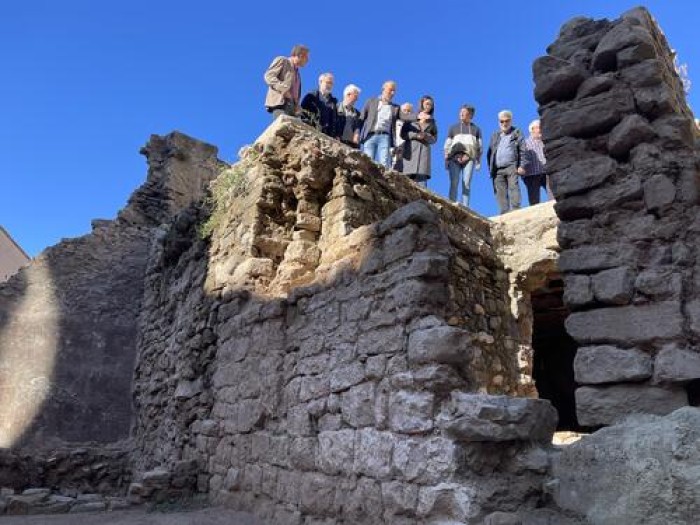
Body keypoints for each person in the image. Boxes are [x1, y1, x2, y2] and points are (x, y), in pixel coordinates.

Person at [487, 110, 530, 214]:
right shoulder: (495, 136)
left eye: (507, 121)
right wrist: (491, 169)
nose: (504, 124)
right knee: (500, 192)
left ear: (510, 121)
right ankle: (504, 213)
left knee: (513, 188)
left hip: (512, 166)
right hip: (497, 169)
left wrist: (522, 166)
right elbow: (490, 153)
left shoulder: (517, 133)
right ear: (499, 122)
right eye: (502, 121)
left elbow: (523, 150)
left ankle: (516, 211)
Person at [443, 105, 482, 207]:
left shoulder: (476, 129)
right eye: (460, 112)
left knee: (466, 183)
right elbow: (447, 145)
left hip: (469, 158)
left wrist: (477, 160)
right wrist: (446, 159)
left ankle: (465, 207)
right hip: (454, 158)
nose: (461, 114)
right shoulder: (453, 128)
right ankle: (451, 205)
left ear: (470, 115)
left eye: (463, 112)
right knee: (454, 182)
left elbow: (479, 147)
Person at [359, 81, 404, 168]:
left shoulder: (395, 107)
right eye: (391, 90)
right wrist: (357, 133)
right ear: (383, 89)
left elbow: (405, 117)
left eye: (394, 91)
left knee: (384, 163)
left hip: (384, 137)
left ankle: (382, 181)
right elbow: (361, 118)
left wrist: (418, 116)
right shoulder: (371, 101)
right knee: (367, 161)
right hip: (370, 136)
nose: (392, 93)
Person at [400, 96, 438, 188]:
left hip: (424, 157)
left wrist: (426, 136)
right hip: (410, 154)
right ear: (421, 104)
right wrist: (416, 135)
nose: (429, 106)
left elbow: (434, 139)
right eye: (427, 104)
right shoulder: (412, 118)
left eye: (431, 105)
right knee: (406, 186)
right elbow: (403, 134)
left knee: (422, 186)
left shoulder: (432, 122)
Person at [263, 45, 309, 119]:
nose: (307, 60)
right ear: (299, 55)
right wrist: (284, 89)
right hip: (281, 103)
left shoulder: (297, 73)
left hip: (292, 107)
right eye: (306, 57)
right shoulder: (283, 60)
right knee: (283, 127)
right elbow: (268, 76)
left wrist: (297, 105)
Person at [522, 119, 551, 205]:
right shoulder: (525, 143)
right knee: (534, 199)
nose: (541, 129)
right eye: (538, 128)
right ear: (532, 130)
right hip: (531, 174)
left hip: (546, 172)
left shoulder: (544, 142)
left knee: (552, 194)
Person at [392, 103, 413, 170]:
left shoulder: (412, 126)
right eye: (405, 110)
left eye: (409, 111)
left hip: (405, 152)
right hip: (393, 149)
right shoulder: (394, 122)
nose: (406, 112)